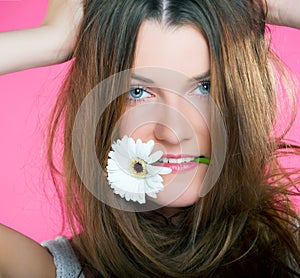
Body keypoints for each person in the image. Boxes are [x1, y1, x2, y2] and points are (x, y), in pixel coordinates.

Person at [0, 0, 300, 277]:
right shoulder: (46, 270)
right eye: (139, 93)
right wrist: (51, 40)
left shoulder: (291, 252)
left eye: (204, 88)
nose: (173, 132)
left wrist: (274, 5)